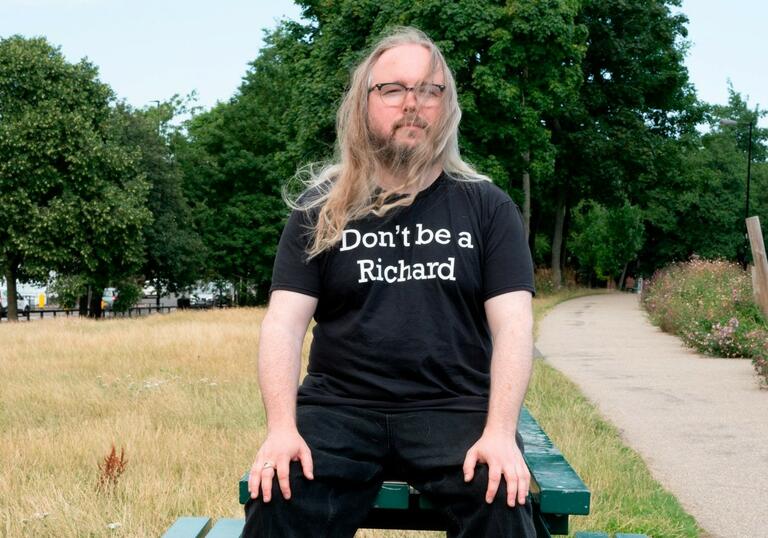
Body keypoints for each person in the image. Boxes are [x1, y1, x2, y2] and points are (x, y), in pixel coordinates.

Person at [244, 27, 536, 538]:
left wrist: (500, 432)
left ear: (446, 107)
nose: (413, 104)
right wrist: (281, 430)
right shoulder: (320, 208)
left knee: (501, 500)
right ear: (363, 104)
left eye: (429, 90)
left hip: (454, 406)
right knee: (279, 497)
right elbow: (283, 326)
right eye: (394, 89)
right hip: (339, 408)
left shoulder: (489, 208)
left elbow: (514, 327)